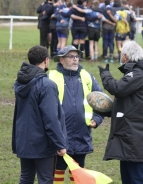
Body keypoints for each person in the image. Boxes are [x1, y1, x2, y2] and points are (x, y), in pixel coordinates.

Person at [98, 40, 143, 184]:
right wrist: (110, 110)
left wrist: (106, 75)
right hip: (131, 132)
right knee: (128, 176)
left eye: (121, 55)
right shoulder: (137, 72)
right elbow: (130, 102)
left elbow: (118, 89)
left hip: (136, 134)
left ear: (126, 56)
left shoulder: (138, 74)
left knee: (138, 177)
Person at [49, 45, 105, 183]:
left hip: (82, 134)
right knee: (58, 168)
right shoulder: (51, 77)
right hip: (59, 134)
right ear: (61, 60)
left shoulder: (87, 77)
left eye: (77, 56)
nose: (75, 60)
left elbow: (101, 101)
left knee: (77, 169)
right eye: (71, 57)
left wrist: (97, 119)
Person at [12, 45, 67, 184]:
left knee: (26, 177)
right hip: (42, 143)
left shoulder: (21, 82)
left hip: (24, 139)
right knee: (45, 179)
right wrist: (60, 144)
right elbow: (51, 118)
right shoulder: (47, 85)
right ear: (46, 60)